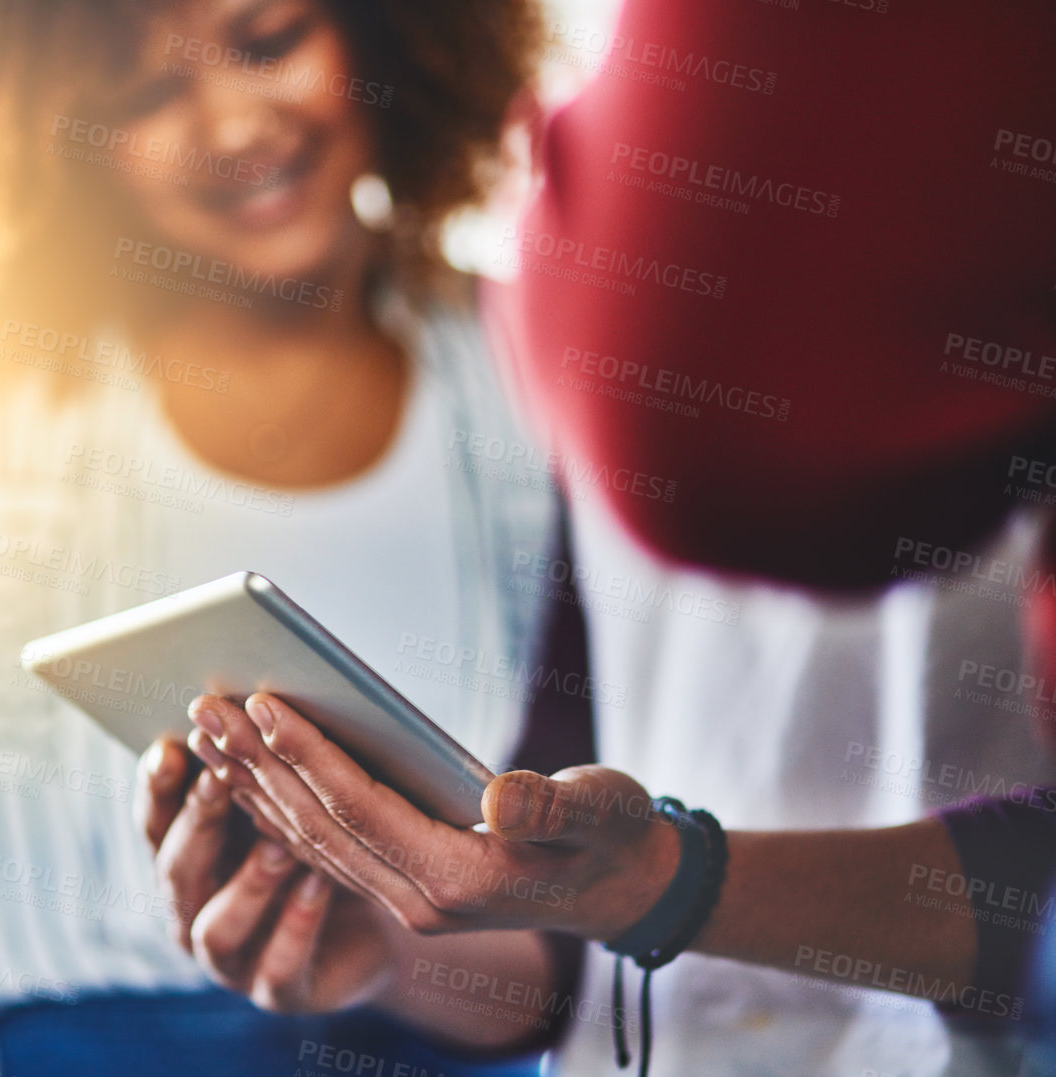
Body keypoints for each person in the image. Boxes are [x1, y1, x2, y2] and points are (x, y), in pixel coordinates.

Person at [139, 2, 1056, 1074]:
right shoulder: (567, 253)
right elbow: (568, 896)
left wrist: (675, 886)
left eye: (270, 41)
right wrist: (393, 946)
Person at [0, 0, 585, 1074]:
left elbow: (581, 950)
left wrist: (393, 954)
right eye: (143, 93)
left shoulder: (525, 364)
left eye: (270, 43)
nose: (231, 128)